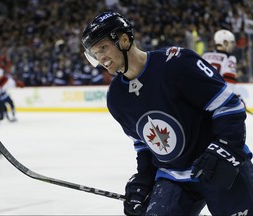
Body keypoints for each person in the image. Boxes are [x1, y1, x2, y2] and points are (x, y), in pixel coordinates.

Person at [81, 11, 253, 215]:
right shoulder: (117, 98)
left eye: (103, 48)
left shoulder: (176, 63)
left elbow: (229, 106)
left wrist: (224, 149)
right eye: (95, 53)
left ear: (124, 40)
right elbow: (144, 144)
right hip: (174, 175)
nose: (101, 58)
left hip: (220, 162)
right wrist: (143, 179)